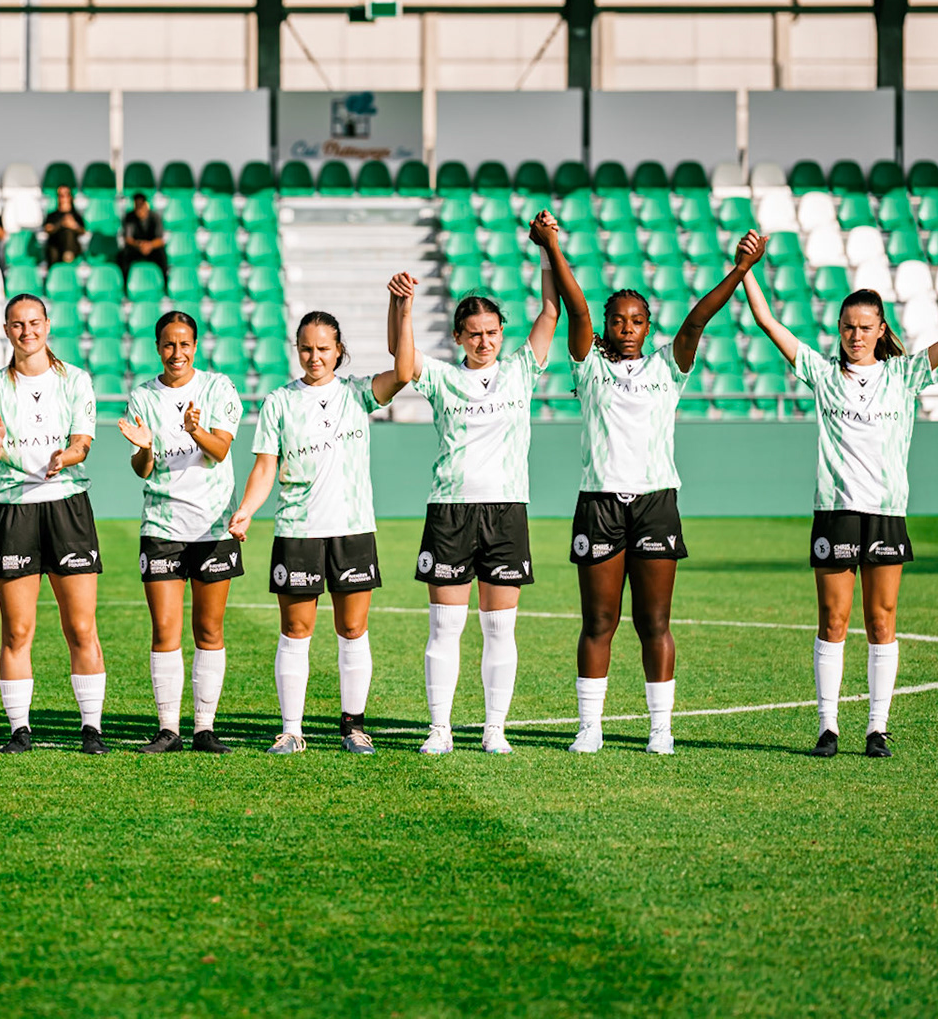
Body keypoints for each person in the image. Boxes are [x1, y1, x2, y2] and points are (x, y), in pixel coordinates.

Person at [535, 217, 764, 755]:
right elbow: (577, 309)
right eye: (619, 320)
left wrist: (740, 269)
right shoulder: (586, 365)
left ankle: (660, 727)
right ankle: (589, 725)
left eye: (637, 320)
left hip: (657, 501)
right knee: (599, 622)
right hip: (599, 503)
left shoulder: (669, 367)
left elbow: (696, 321)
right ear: (608, 325)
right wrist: (554, 247)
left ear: (647, 325)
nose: (627, 327)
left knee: (654, 621)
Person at [744, 228, 938, 759]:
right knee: (833, 620)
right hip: (836, 512)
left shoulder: (904, 375)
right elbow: (767, 322)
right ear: (839, 328)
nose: (856, 335)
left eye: (865, 327)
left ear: (880, 328)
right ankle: (828, 727)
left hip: (887, 513)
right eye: (848, 327)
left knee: (883, 620)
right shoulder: (823, 374)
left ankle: (876, 728)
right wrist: (747, 271)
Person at [228, 279, 418, 755]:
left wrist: (401, 307)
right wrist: (247, 511)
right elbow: (265, 466)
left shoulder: (359, 393)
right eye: (306, 349)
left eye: (324, 349)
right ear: (297, 350)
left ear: (339, 352)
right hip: (297, 530)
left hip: (352, 529)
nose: (314, 357)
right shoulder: (278, 401)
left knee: (352, 630)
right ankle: (291, 730)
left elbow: (406, 371)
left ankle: (353, 726)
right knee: (295, 631)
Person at [395, 216, 560, 756]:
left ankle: (495, 728)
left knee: (499, 630)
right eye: (475, 334)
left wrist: (546, 249)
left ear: (501, 335)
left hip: (507, 511)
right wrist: (403, 308)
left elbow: (551, 311)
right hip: (450, 511)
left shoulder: (520, 369)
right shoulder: (442, 376)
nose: (485, 341)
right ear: (458, 337)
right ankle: (439, 729)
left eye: (492, 332)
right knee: (445, 627)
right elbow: (402, 362)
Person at [0, 293, 107, 754]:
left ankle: (92, 729)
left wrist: (64, 458)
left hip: (66, 505)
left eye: (33, 323)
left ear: (48, 325)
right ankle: (19, 730)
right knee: (16, 630)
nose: (26, 332)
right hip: (13, 510)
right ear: (6, 330)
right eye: (16, 324)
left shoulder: (76, 380)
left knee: (81, 627)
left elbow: (82, 443)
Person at [116, 311, 243, 753]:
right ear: (157, 347)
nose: (177, 353)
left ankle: (204, 728)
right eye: (168, 345)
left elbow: (220, 450)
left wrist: (197, 430)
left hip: (212, 526)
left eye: (184, 344)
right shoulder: (142, 397)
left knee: (209, 629)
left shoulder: (218, 387)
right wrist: (145, 449)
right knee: (165, 629)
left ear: (196, 345)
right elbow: (141, 468)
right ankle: (168, 728)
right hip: (162, 526)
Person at [118, 192, 168, 283]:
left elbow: (160, 240)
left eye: (141, 205)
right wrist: (139, 245)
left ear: (146, 205)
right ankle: (124, 285)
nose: (139, 208)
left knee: (162, 256)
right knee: (123, 256)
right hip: (136, 248)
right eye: (137, 205)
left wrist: (150, 245)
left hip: (152, 249)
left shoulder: (155, 217)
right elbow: (128, 239)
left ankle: (165, 284)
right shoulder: (129, 217)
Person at [42, 185, 84, 267]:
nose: (63, 198)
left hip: (72, 248)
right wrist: (61, 224)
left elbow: (83, 231)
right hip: (56, 247)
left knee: (68, 232)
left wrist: (73, 225)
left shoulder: (76, 215)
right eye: (60, 196)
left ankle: (68, 256)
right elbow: (47, 229)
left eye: (66, 195)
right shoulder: (52, 215)